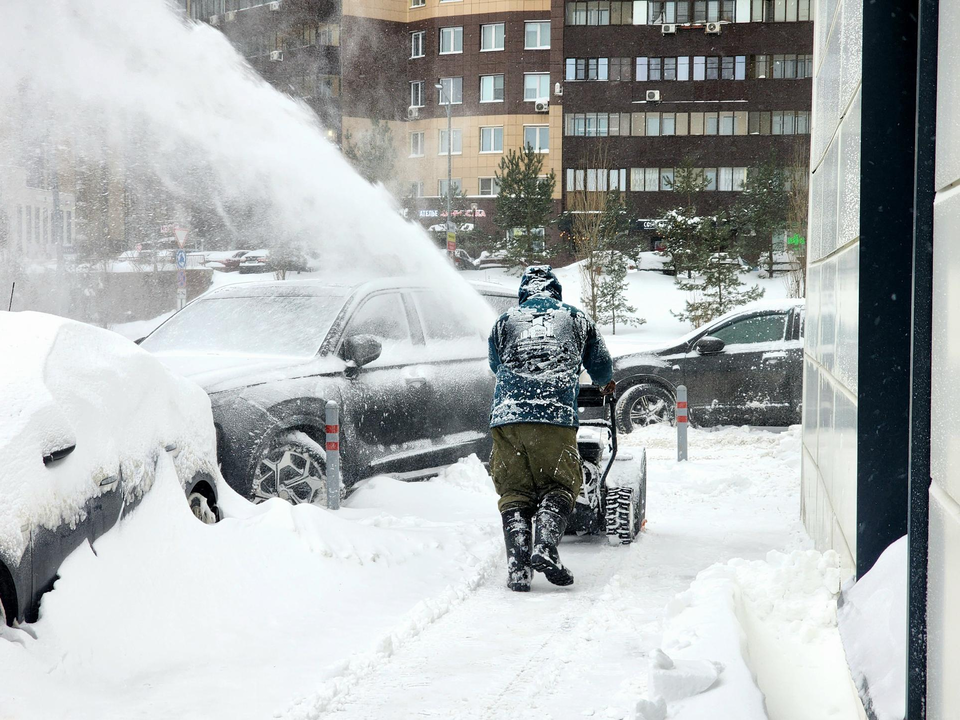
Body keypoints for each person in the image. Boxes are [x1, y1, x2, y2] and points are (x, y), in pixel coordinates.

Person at [487, 265, 615, 592]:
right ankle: (545, 546)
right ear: (556, 291)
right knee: (559, 484)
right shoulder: (575, 318)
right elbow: (601, 366)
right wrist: (604, 383)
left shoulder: (504, 321)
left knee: (514, 491)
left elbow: (495, 366)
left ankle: (518, 569)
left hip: (507, 418)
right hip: (552, 416)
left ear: (523, 293)